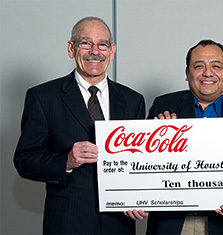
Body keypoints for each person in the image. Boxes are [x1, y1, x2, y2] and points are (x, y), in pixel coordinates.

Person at [14, 16, 145, 234]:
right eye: (86, 43)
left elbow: (141, 162)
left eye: (102, 44)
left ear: (112, 51)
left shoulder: (133, 100)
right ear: (71, 48)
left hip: (119, 224)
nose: (95, 51)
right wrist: (65, 160)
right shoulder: (43, 97)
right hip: (68, 223)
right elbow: (25, 160)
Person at [137, 40, 223, 234]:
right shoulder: (163, 106)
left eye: (216, 66)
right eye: (198, 66)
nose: (207, 73)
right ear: (187, 74)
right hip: (171, 223)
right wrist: (159, 140)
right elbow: (140, 164)